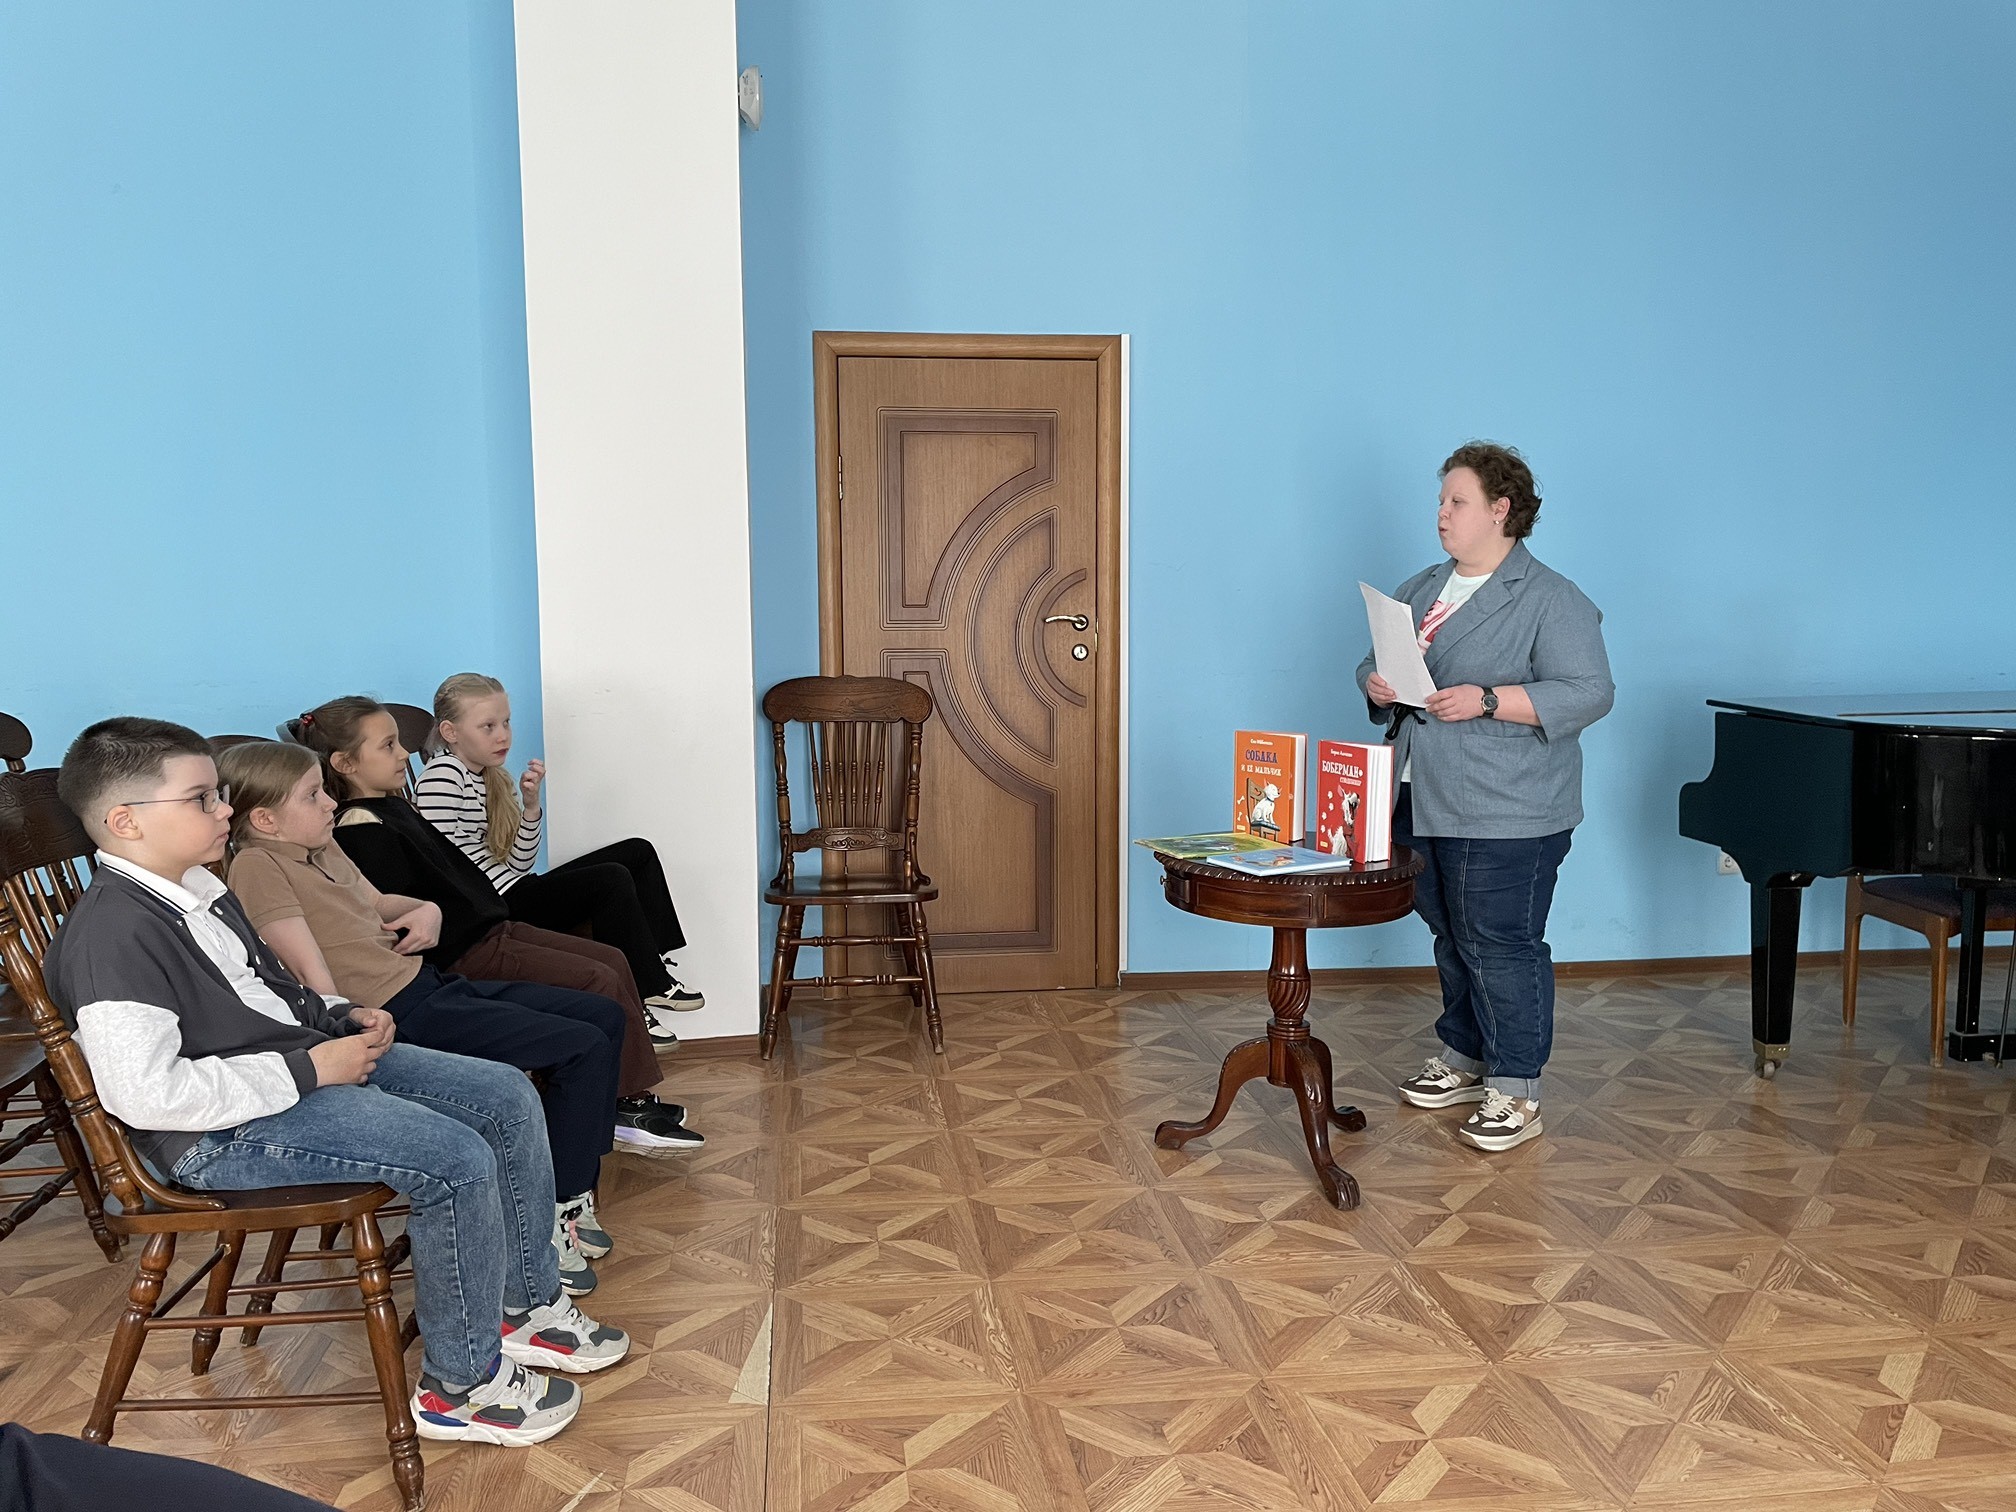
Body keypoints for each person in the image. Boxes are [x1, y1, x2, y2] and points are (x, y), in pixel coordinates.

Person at [42, 719, 626, 1446]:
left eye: (220, 794)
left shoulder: (195, 887)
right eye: (201, 799)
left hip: (291, 1074)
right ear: (126, 821)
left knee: (506, 1095)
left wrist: (339, 1016)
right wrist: (312, 1067)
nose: (224, 810)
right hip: (215, 1135)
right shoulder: (112, 936)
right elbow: (147, 1095)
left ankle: (524, 1306)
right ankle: (461, 1388)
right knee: (455, 1158)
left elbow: (267, 993)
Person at [214, 740, 672, 1295]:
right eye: (313, 796)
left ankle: (568, 1194)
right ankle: (554, 1212)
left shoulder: (319, 844)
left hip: (426, 984)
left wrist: (424, 908)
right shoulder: (259, 866)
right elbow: (309, 976)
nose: (330, 803)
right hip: (395, 1013)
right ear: (265, 820)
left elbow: (377, 903)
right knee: (581, 1045)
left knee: (602, 1016)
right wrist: (349, 1034)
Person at [1354, 442, 1614, 1152]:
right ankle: (1466, 1055)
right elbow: (1380, 662)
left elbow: (1591, 692)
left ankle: (1517, 1088)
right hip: (1419, 793)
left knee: (1499, 941)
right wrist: (1375, 683)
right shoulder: (1419, 587)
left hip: (1508, 806)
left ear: (1501, 510)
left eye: (1457, 501)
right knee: (1451, 932)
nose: (1441, 513)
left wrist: (1490, 699)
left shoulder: (1551, 597)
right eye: (1440, 501)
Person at [293, 697, 699, 1137]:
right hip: (468, 951)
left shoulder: (396, 806)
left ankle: (626, 1096)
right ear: (346, 763)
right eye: (388, 745)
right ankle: (623, 1106)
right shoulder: (360, 824)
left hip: (493, 929)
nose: (404, 753)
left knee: (612, 959)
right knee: (597, 977)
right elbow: (400, 912)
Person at [416, 673, 702, 1037]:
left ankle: (653, 964)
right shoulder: (444, 774)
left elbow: (518, 864)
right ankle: (647, 983)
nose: (503, 735)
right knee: (610, 879)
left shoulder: (489, 777)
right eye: (488, 726)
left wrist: (530, 806)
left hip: (514, 888)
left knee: (637, 851)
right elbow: (436, 862)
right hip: (494, 906)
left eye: (506, 722)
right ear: (450, 732)